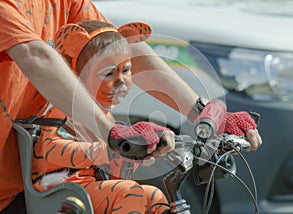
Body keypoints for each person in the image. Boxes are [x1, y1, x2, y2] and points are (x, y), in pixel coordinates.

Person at [0, 0, 262, 212]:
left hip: (20, 188)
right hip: (23, 189)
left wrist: (206, 116)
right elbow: (36, 56)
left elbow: (125, 50)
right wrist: (113, 136)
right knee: (132, 196)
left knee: (154, 200)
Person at [31, 20, 171, 214]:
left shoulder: (105, 115)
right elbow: (49, 149)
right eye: (109, 73)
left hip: (93, 185)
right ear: (78, 75)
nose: (121, 79)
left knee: (155, 196)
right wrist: (105, 150)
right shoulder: (64, 107)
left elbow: (115, 172)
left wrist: (137, 153)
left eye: (126, 70)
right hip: (61, 188)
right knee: (130, 192)